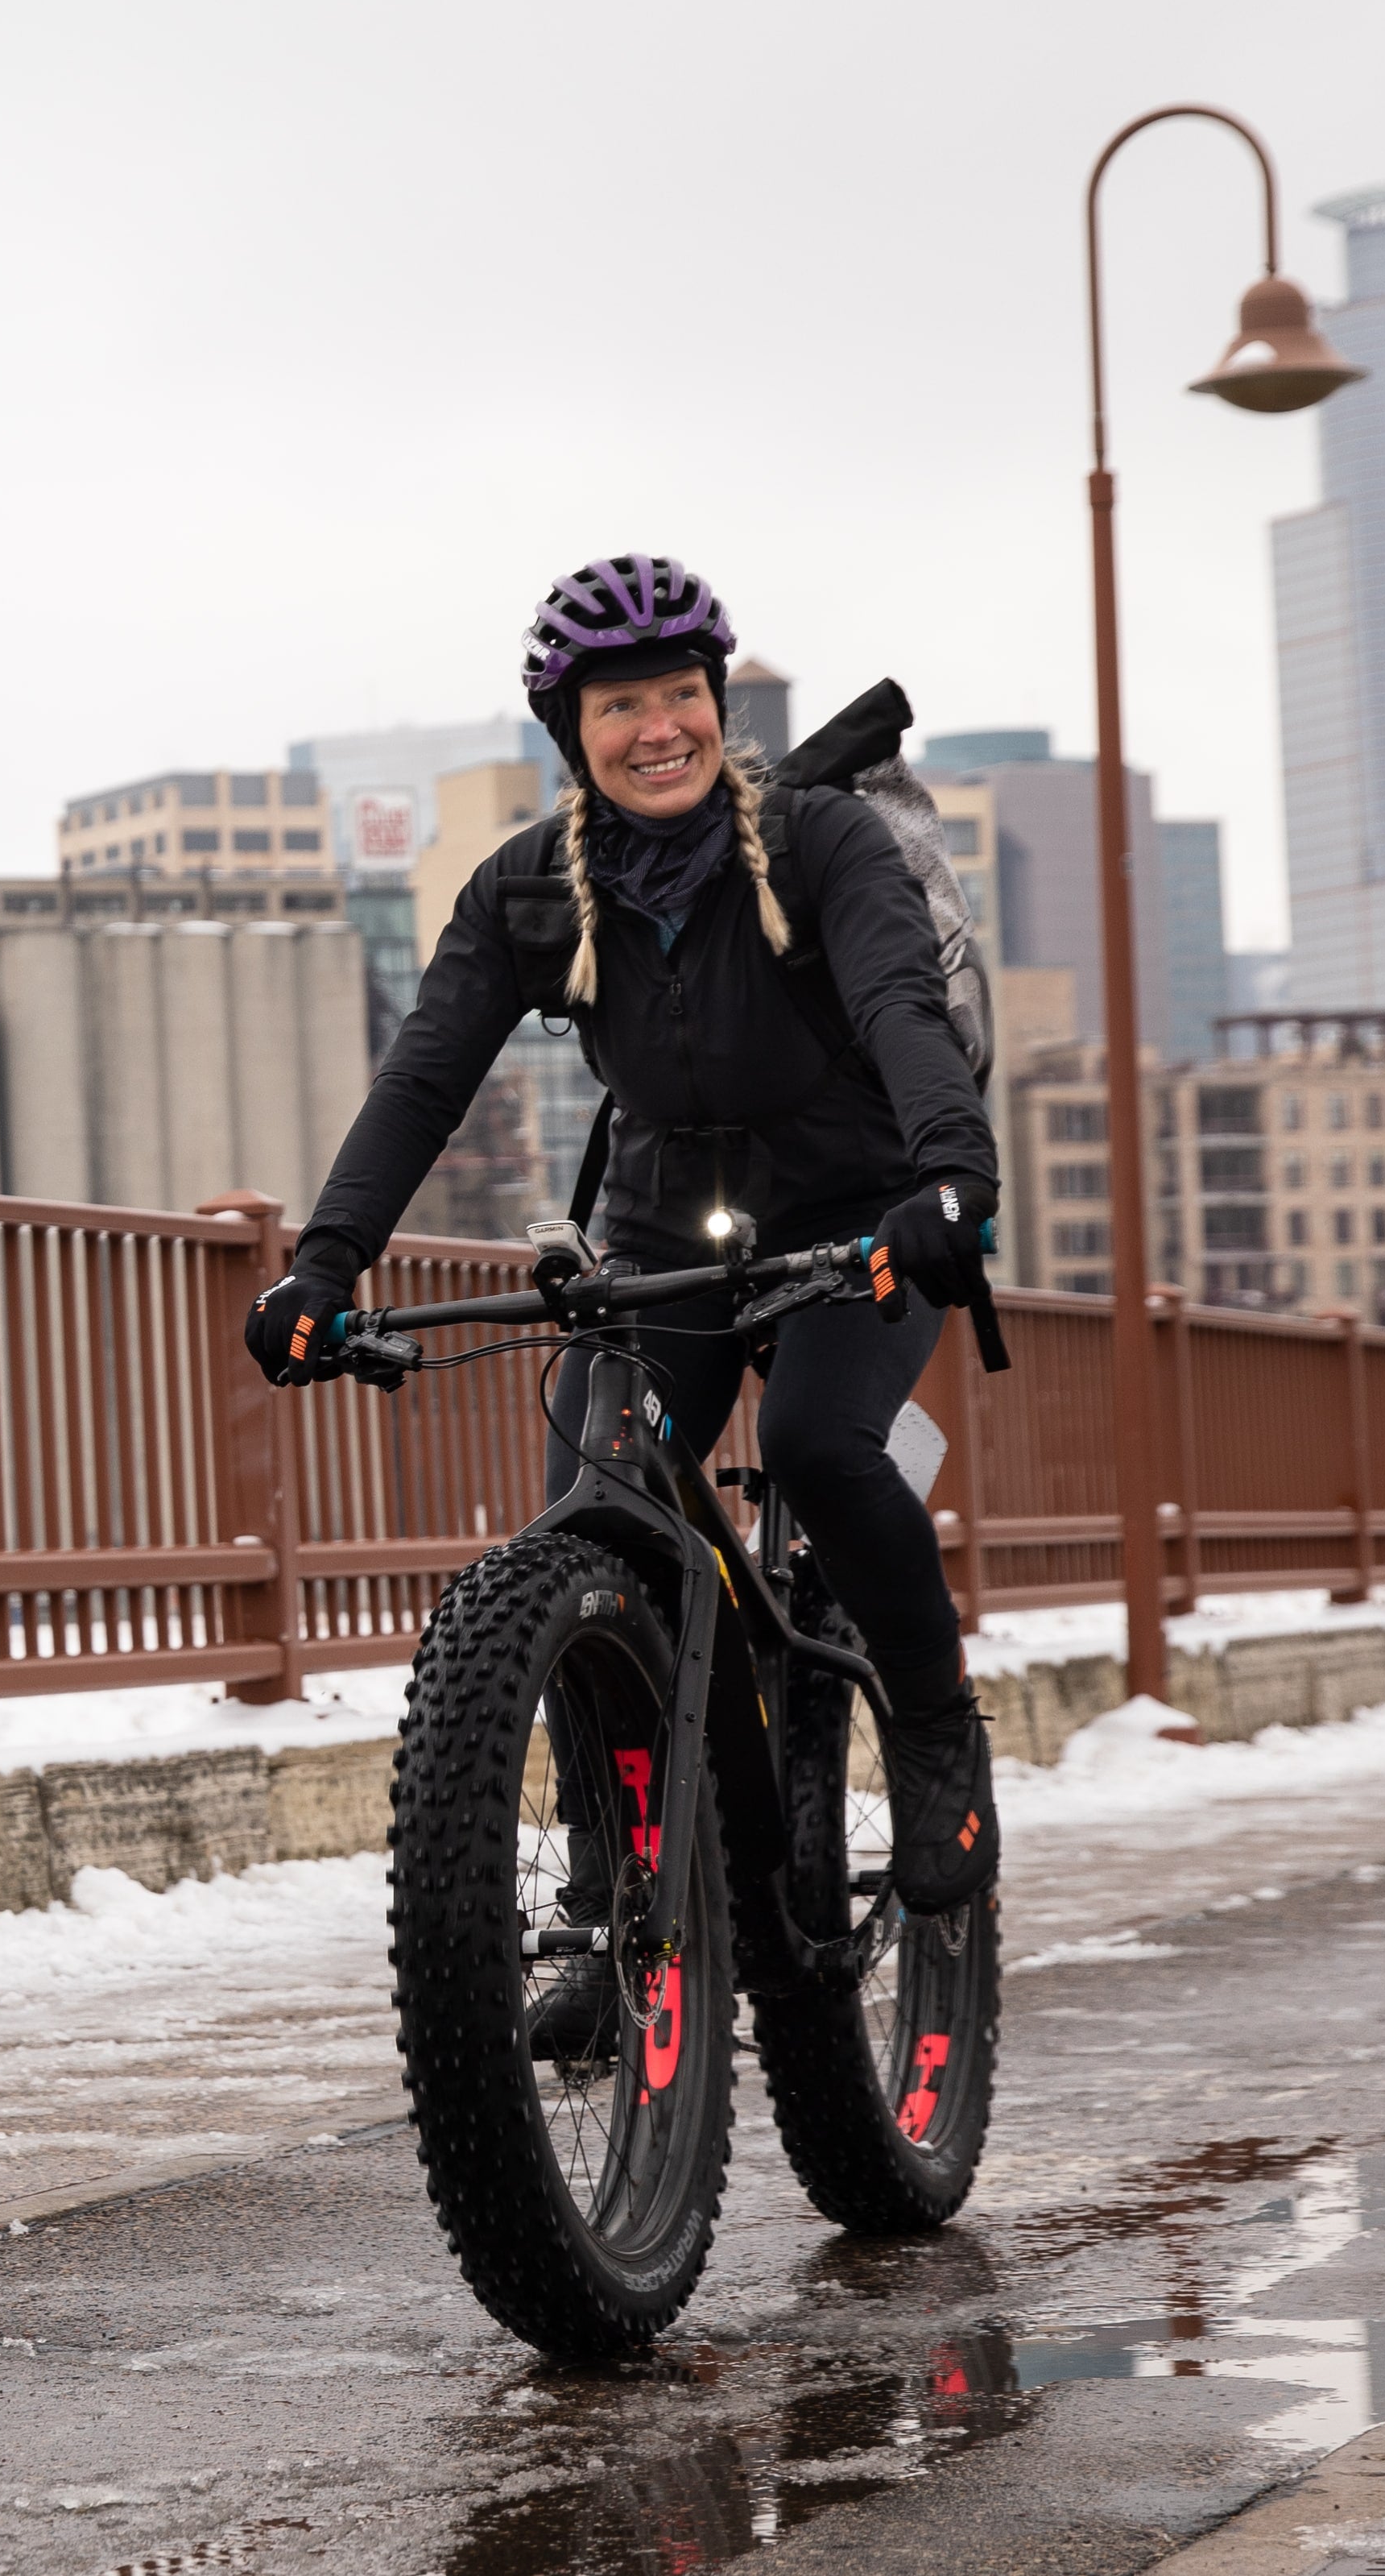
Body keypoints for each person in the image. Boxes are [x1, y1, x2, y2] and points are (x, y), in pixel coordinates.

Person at [243, 553, 1004, 1910]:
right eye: (618, 706)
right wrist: (325, 1263)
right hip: (664, 1215)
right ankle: (613, 1887)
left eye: (680, 693)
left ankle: (939, 1728)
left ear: (718, 703)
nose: (658, 728)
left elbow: (899, 1009)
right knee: (596, 1513)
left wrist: (950, 1179)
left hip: (855, 1206)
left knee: (820, 1447)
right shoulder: (532, 889)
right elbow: (425, 1078)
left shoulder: (828, 844)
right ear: (569, 735)